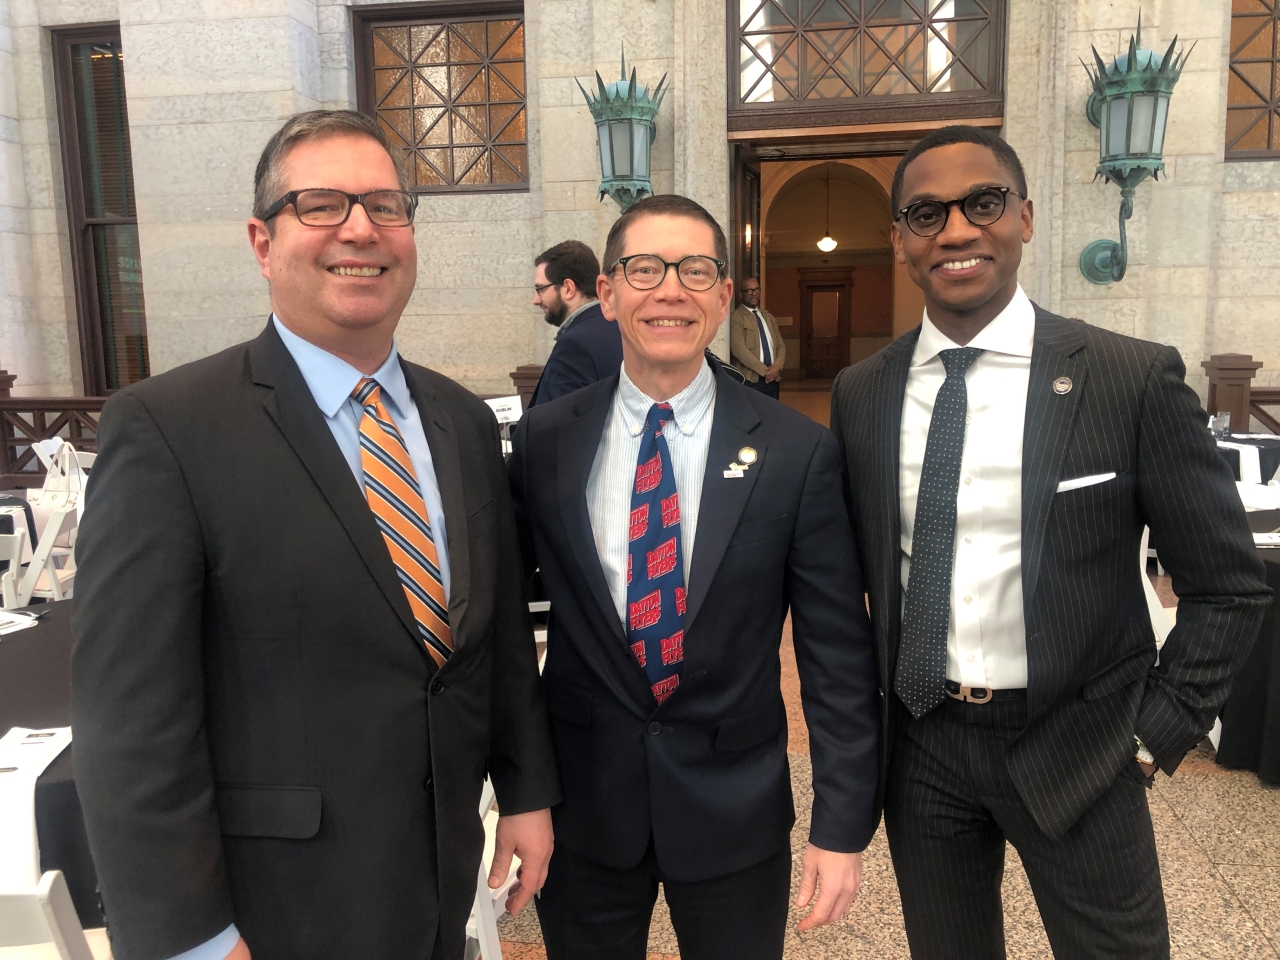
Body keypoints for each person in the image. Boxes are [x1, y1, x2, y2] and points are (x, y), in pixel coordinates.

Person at [70, 110, 560, 960]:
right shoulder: (168, 429)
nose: (361, 229)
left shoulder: (464, 422)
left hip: (438, 882)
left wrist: (524, 791)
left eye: (386, 205)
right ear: (263, 241)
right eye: (322, 204)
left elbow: (498, 643)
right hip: (272, 913)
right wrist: (189, 938)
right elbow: (130, 720)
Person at [830, 124, 1271, 959]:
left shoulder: (1126, 376)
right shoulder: (862, 392)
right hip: (923, 749)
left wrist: (1151, 736)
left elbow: (1229, 585)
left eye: (982, 204)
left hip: (1083, 744)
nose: (956, 230)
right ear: (899, 242)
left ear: (1025, 219)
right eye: (926, 214)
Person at [509, 194, 879, 960]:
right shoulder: (547, 441)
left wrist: (841, 826)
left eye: (694, 270)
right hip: (583, 805)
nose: (669, 289)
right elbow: (505, 629)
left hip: (733, 807)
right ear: (607, 294)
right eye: (644, 269)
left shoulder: (793, 451)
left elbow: (836, 652)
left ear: (722, 295)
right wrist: (519, 790)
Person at [529, 239, 623, 407]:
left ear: (568, 288)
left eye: (540, 289)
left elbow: (563, 423)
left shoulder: (574, 345)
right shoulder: (620, 328)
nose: (536, 300)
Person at [729, 277, 785, 399]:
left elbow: (781, 346)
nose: (754, 294)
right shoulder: (736, 318)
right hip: (751, 381)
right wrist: (765, 371)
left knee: (772, 416)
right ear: (741, 294)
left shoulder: (768, 317)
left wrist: (777, 368)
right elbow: (739, 350)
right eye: (749, 290)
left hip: (773, 380)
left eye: (757, 290)